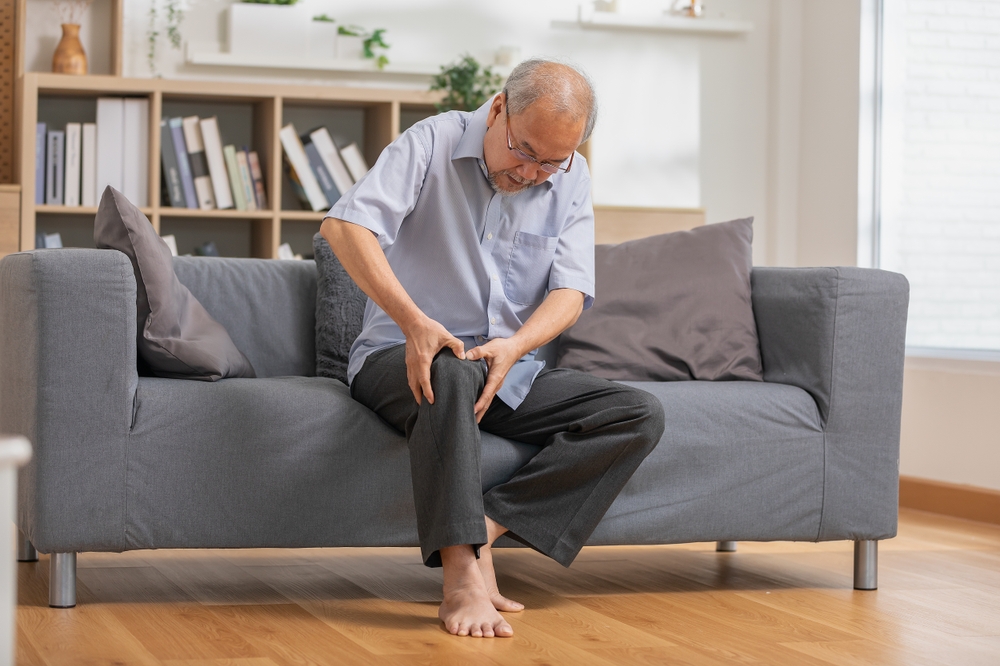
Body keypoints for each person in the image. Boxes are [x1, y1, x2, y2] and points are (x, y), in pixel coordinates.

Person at [320, 58, 665, 638]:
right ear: (499, 107)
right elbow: (345, 227)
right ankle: (460, 579)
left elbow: (572, 290)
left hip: (502, 370)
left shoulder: (570, 175)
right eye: (524, 151)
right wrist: (414, 321)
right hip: (399, 357)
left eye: (551, 161)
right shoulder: (431, 141)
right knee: (448, 369)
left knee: (636, 414)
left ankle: (485, 527)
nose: (534, 173)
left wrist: (517, 346)